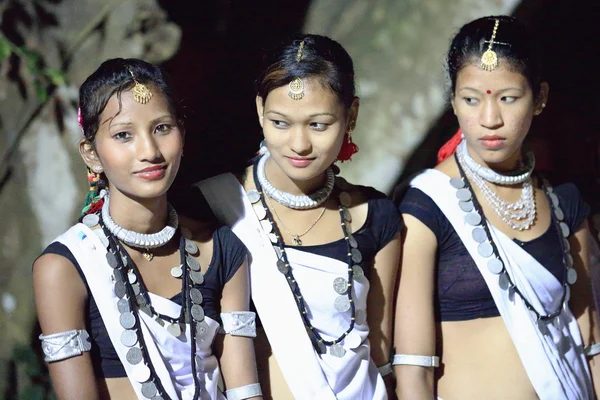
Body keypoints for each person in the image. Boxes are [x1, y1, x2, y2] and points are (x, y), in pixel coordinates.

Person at [393, 15, 599, 399]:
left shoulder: (563, 202)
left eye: (508, 98)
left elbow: (591, 341)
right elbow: (412, 367)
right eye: (471, 99)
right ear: (452, 101)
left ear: (539, 98)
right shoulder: (426, 205)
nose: (490, 120)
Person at [33, 58, 262, 400]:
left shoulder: (222, 248)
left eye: (162, 128)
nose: (150, 152)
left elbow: (245, 391)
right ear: (91, 154)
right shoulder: (65, 268)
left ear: (182, 135)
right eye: (123, 135)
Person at [195, 34, 402, 399]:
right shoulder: (212, 208)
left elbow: (380, 351)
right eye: (280, 123)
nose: (299, 144)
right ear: (260, 110)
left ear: (351, 115)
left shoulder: (374, 216)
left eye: (318, 124)